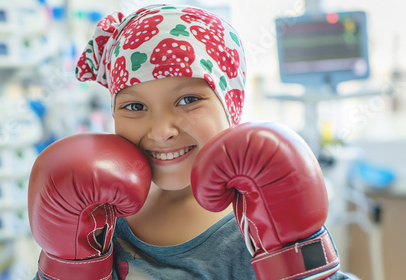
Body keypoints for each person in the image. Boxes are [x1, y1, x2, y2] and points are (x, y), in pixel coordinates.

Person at [28, 4, 352, 279]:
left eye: (187, 100)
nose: (161, 131)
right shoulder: (99, 215)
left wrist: (298, 257)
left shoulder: (256, 227)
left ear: (230, 103)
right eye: (135, 106)